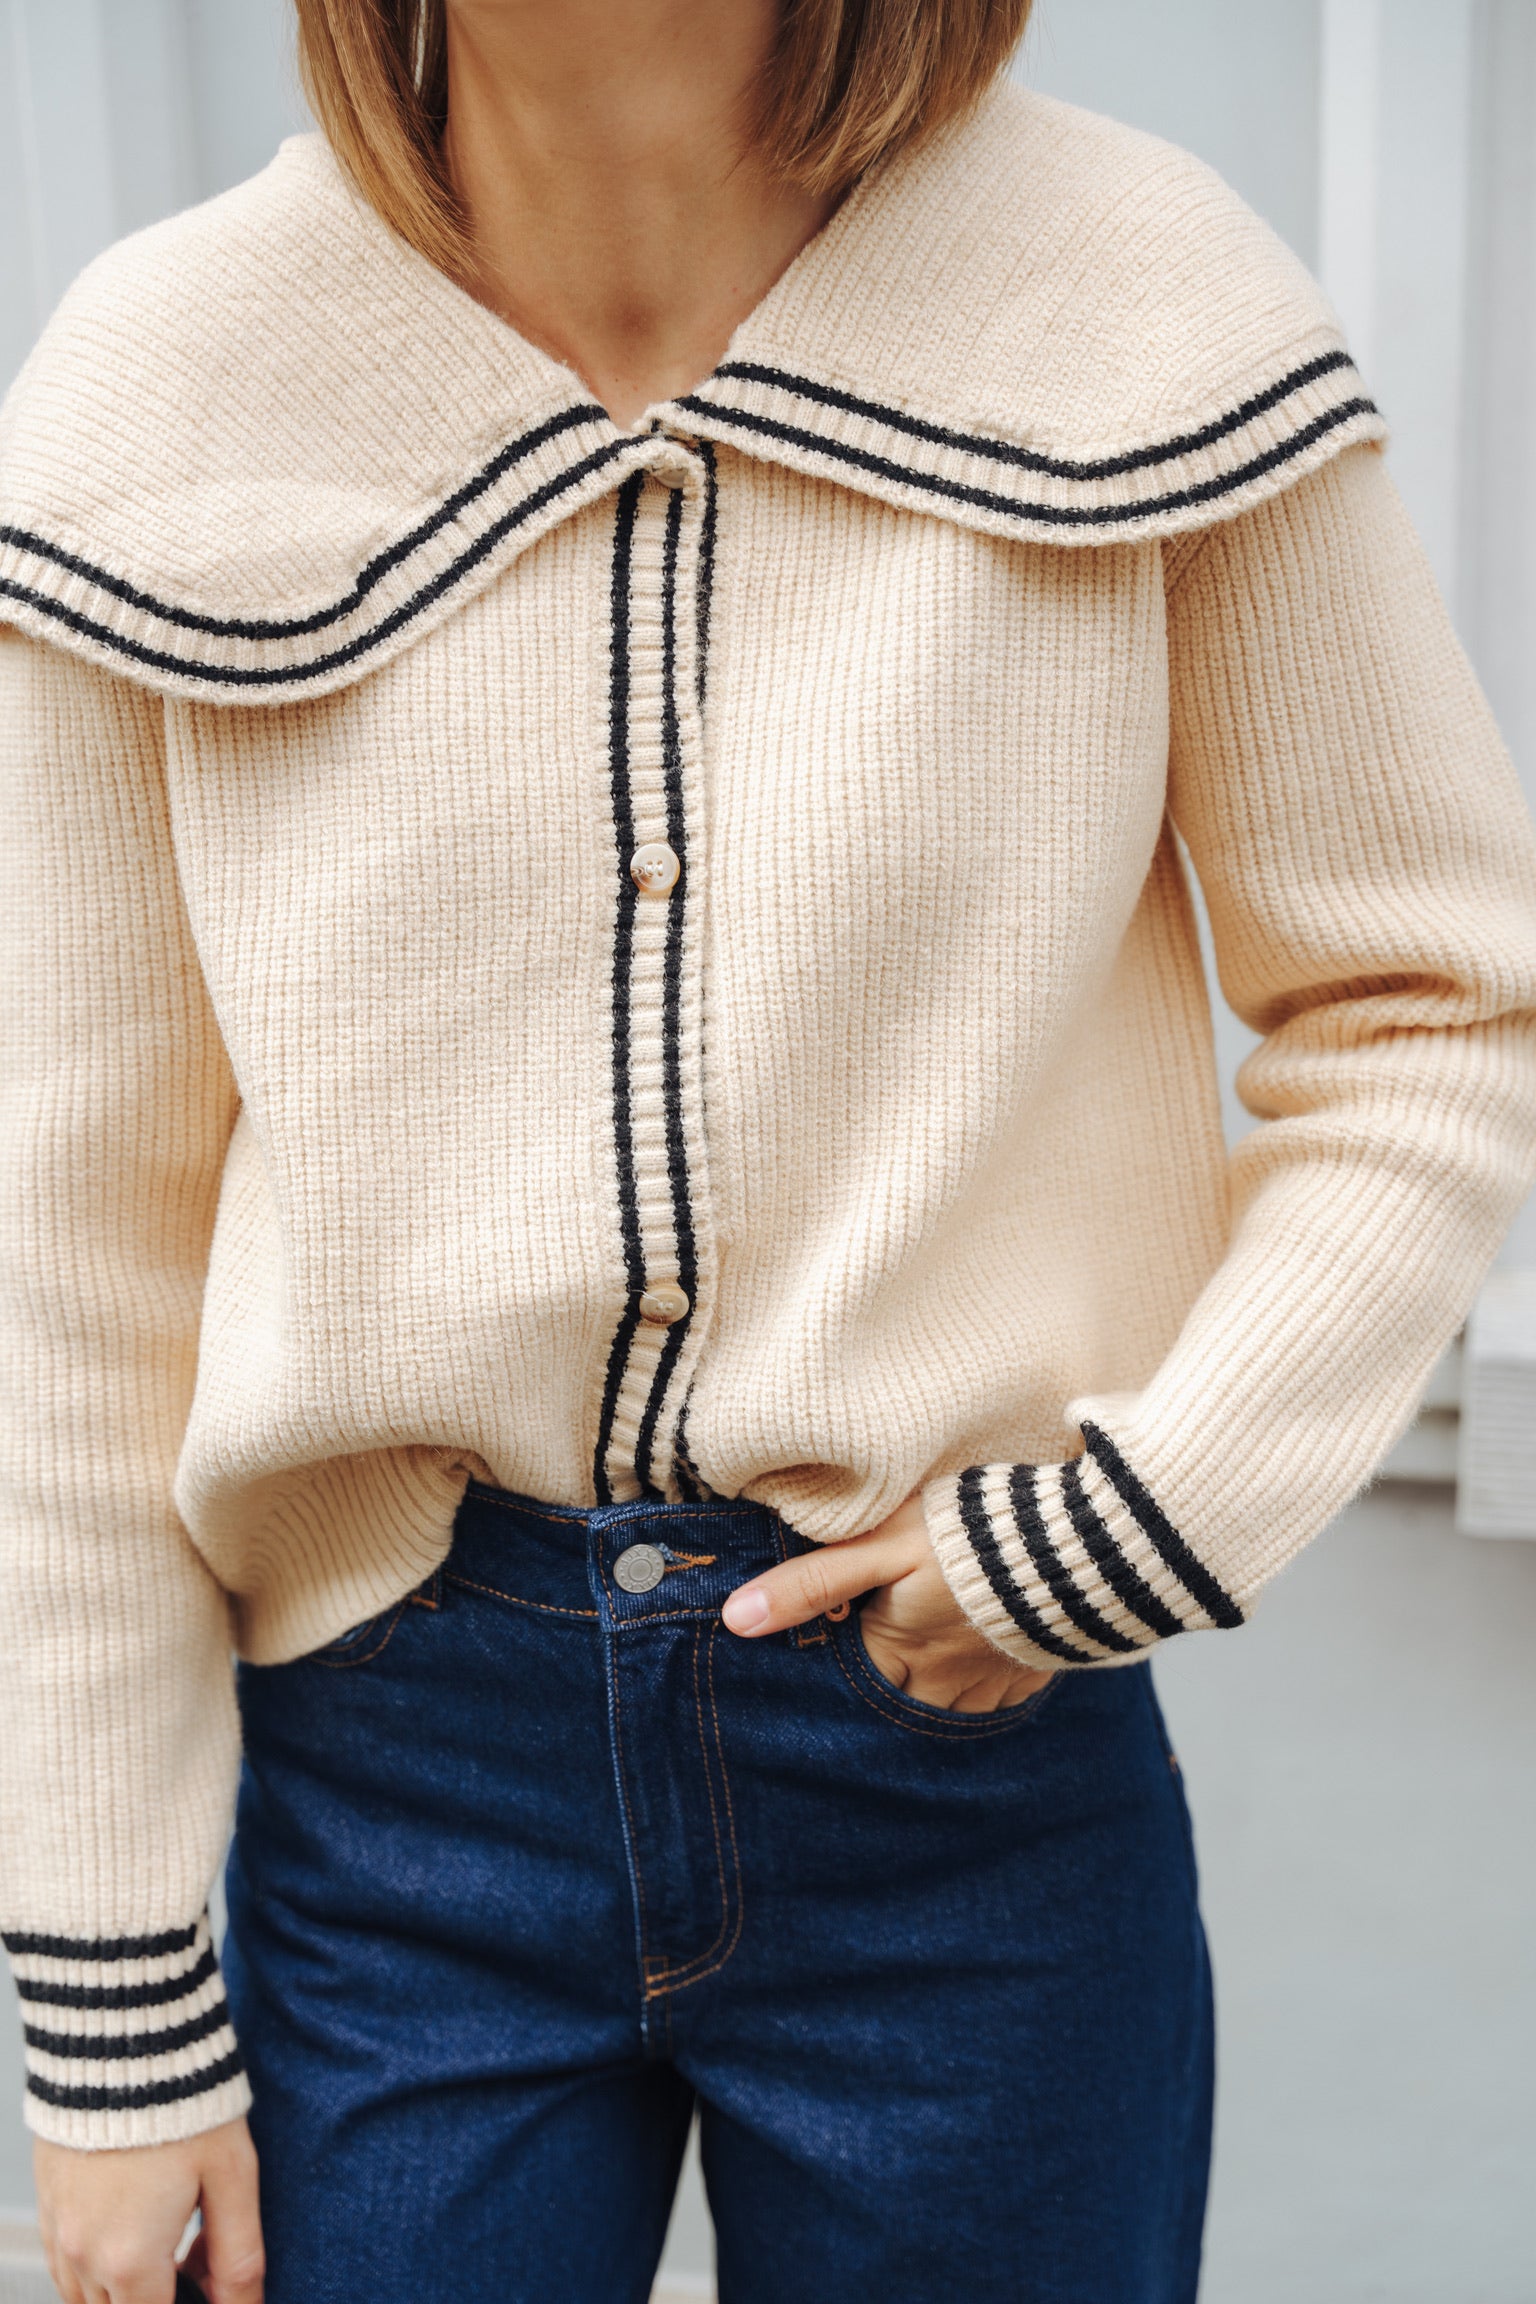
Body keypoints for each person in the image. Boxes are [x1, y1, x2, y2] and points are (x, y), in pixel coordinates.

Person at [3, 1, 1535, 2298]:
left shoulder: (1140, 293)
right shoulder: (162, 381)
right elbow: (69, 1261)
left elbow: (1431, 1001)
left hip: (968, 1769)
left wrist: (1145, 1515)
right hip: (394, 1786)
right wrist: (111, 2015)